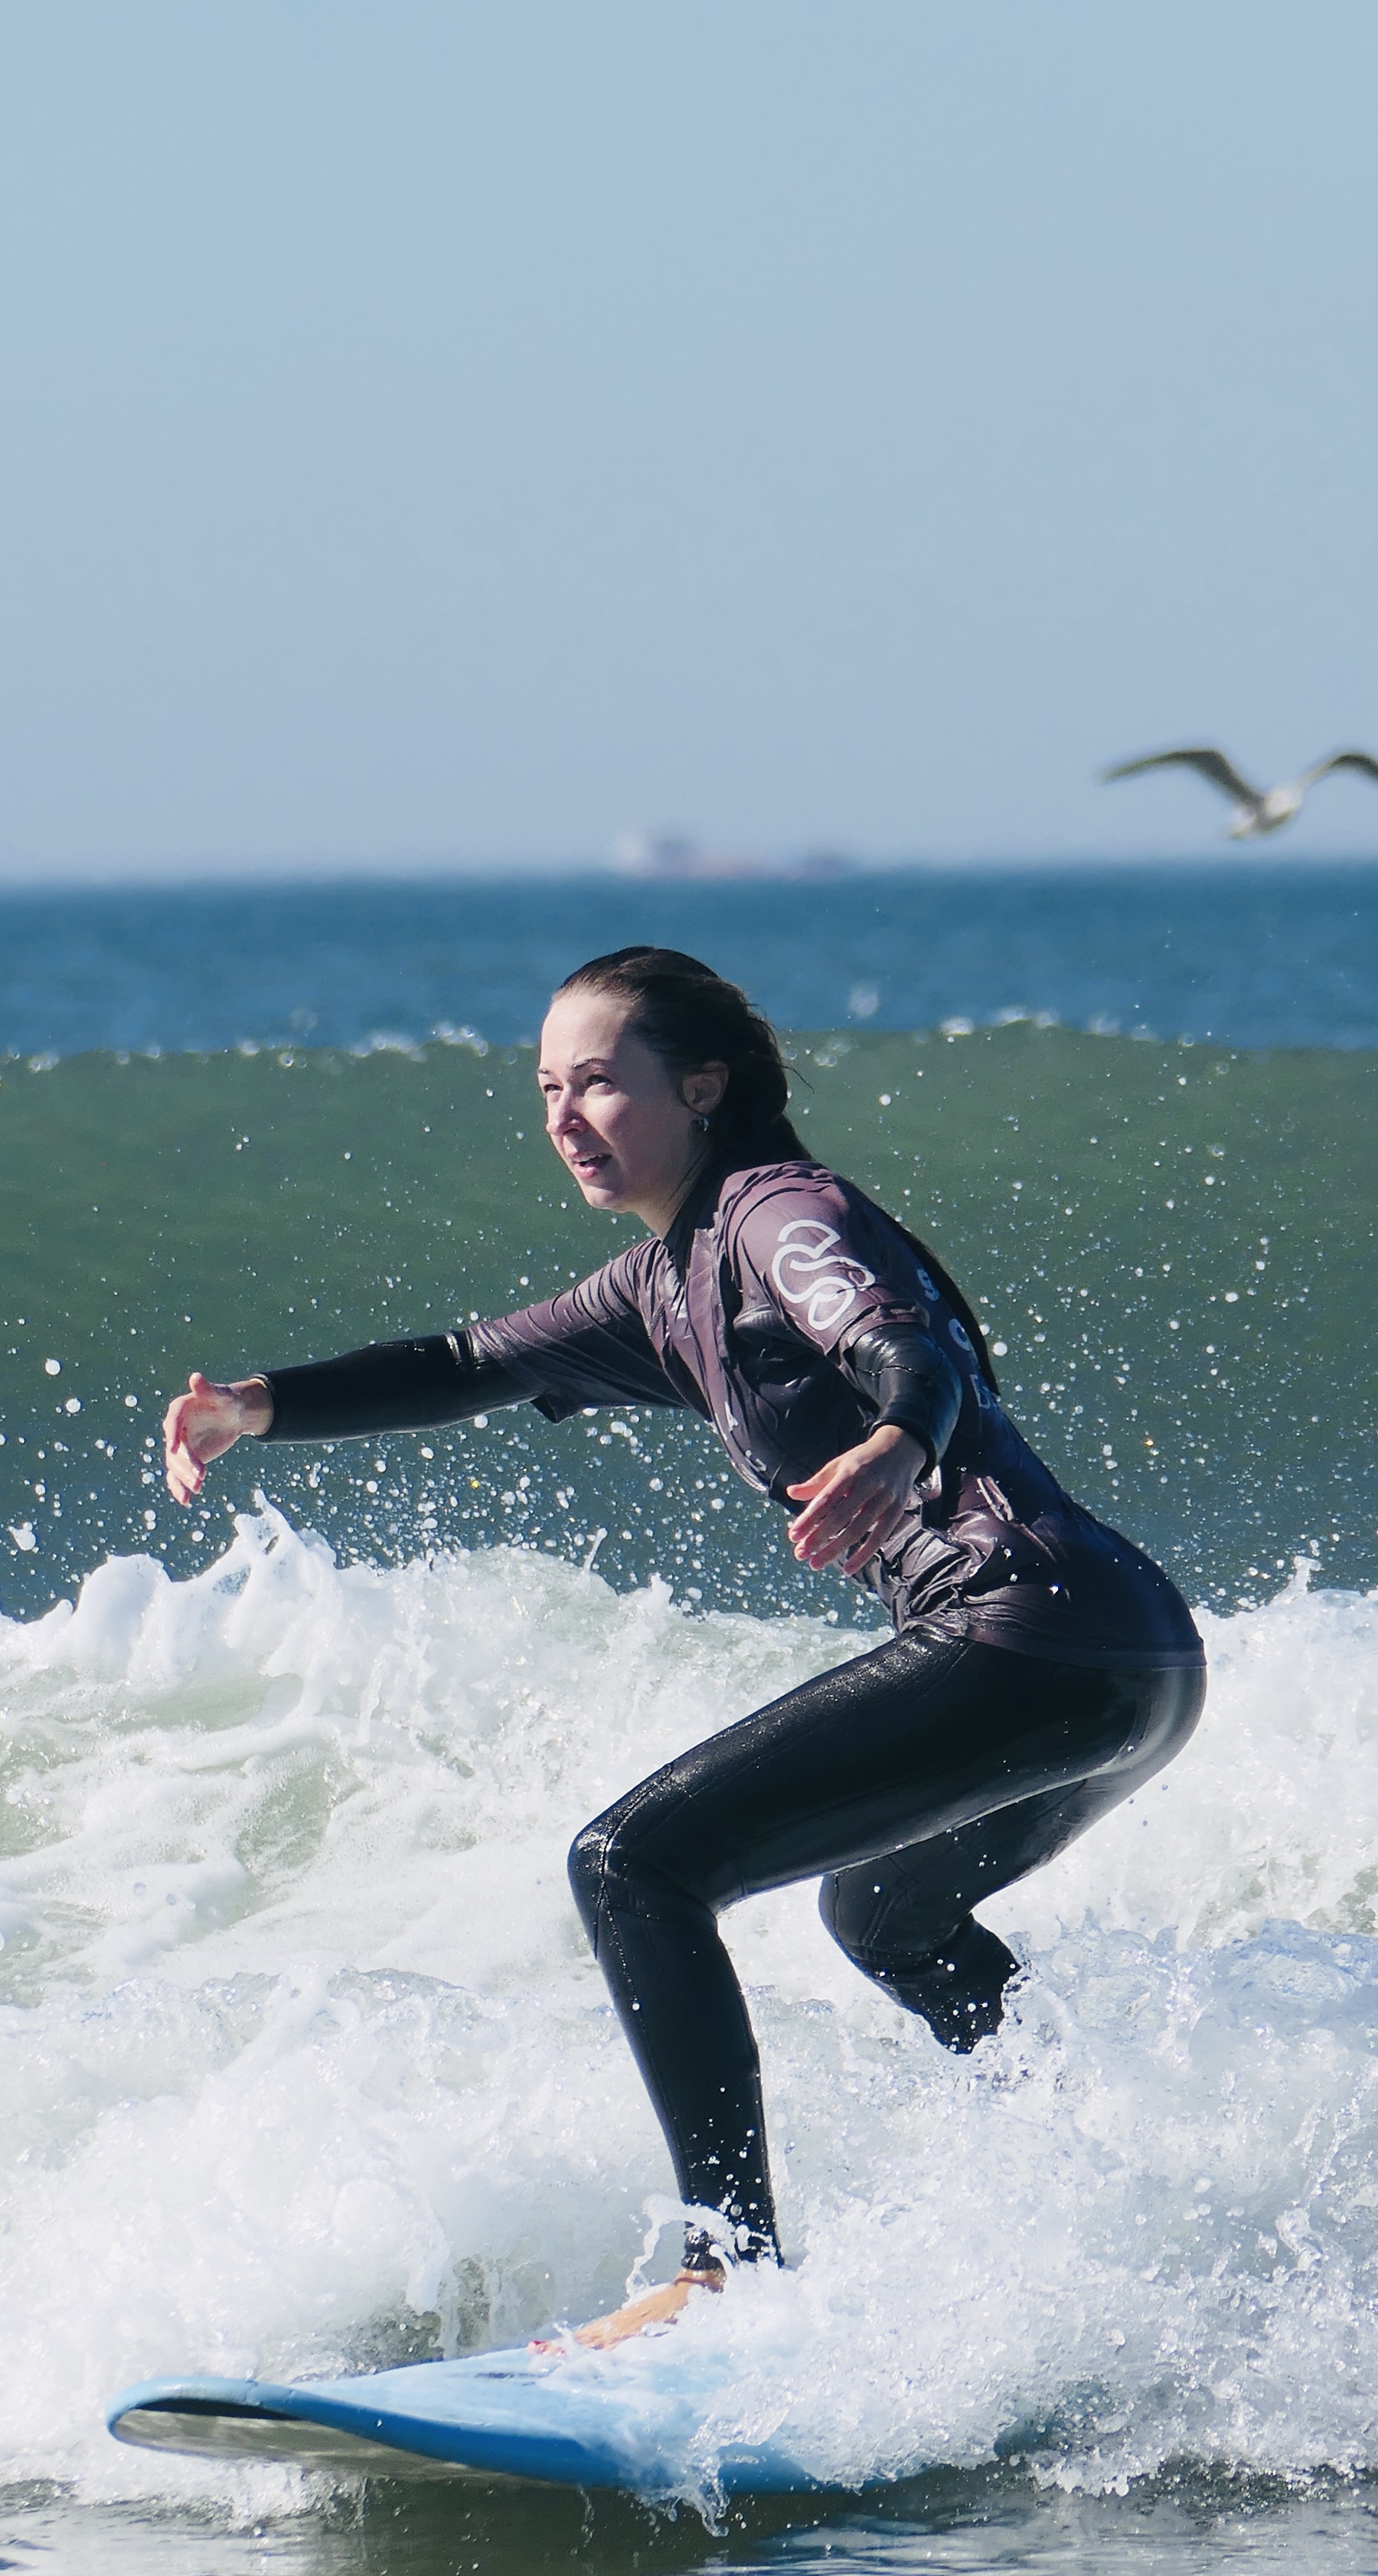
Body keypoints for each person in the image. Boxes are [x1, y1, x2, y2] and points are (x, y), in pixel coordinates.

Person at [165, 948, 1204, 2347]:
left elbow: (906, 1342)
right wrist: (259, 1406)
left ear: (702, 1087)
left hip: (1029, 1626)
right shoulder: (668, 1279)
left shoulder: (784, 1212)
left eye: (600, 1078)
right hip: (1120, 1660)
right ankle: (1134, 2205)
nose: (564, 1114)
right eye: (546, 1087)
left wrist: (900, 1438)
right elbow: (472, 1364)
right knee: (884, 1918)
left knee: (633, 1863)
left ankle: (725, 2270)